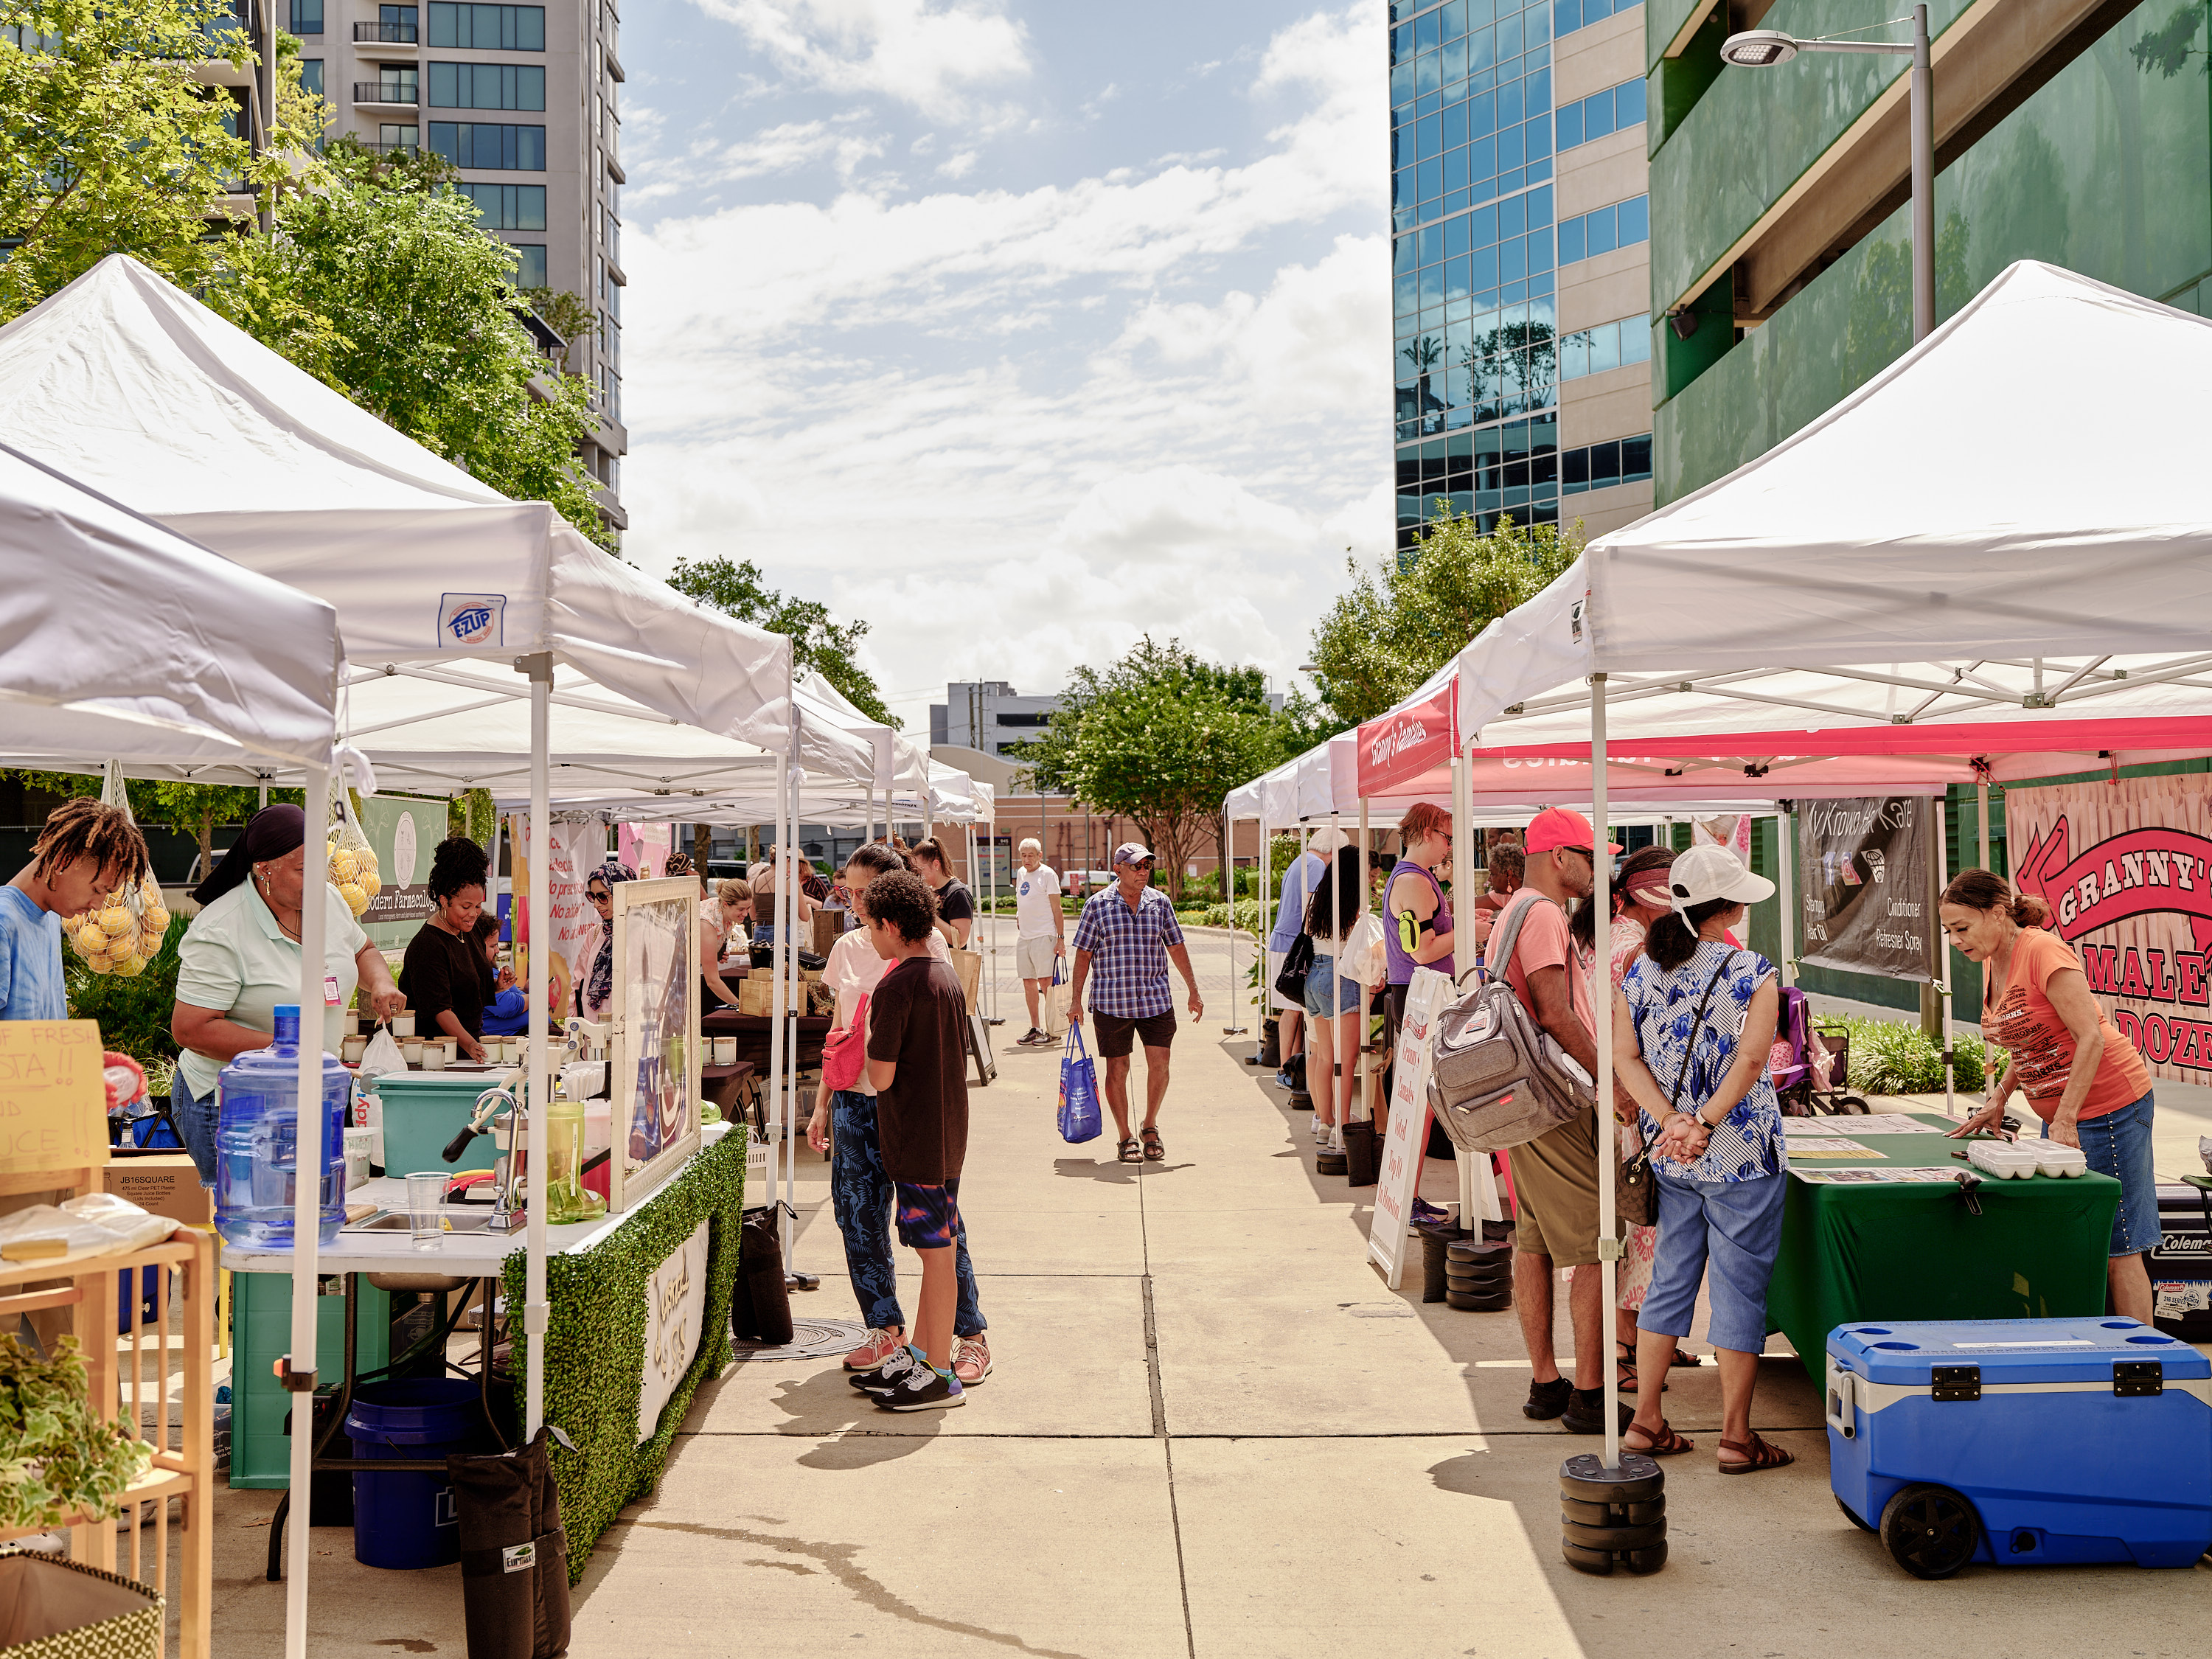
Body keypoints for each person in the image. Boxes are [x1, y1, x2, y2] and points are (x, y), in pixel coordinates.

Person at [1613, 844, 1792, 1472]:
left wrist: (1672, 1124)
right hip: (1741, 1151)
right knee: (1740, 1291)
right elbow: (1750, 1062)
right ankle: (1737, 1437)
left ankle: (1645, 1421)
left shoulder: (1641, 968)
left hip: (1673, 1153)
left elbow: (1625, 1058)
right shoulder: (1753, 972)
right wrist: (1706, 1123)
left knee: (1668, 1282)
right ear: (1734, 907)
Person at [1941, 869, 2160, 1321]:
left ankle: (2143, 1364)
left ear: (1998, 913)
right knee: (2077, 1238)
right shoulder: (1993, 959)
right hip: (2066, 1114)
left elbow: (2091, 1038)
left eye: (1962, 928)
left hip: (2108, 1108)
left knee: (2119, 1244)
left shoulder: (2042, 950)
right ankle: (2090, 1344)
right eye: (1949, 932)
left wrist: (2065, 1118)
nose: (1956, 941)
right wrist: (2000, 1097)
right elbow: (2030, 1040)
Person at [808, 845, 990, 1388]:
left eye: (865, 893)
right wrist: (822, 1103)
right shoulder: (845, 948)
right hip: (856, 1101)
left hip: (908, 1108)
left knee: (936, 1228)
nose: (855, 902)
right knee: (859, 1216)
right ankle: (889, 1333)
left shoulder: (921, 948)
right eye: (849, 892)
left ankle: (967, 1336)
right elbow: (839, 1033)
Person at [171, 804, 405, 1186]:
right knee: (252, 1223)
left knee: (302, 1213)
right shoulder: (220, 929)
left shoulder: (327, 901)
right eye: (303, 870)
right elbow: (191, 1029)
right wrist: (290, 1054)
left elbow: (362, 950)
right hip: (233, 1106)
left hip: (310, 1093)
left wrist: (380, 982)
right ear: (265, 868)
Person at [1494, 807, 1621, 1434]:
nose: (1600, 868)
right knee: (1598, 1241)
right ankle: (1590, 1395)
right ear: (1561, 856)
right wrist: (1612, 1082)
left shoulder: (1516, 908)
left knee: (1535, 1241)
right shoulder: (1542, 913)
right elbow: (1553, 1011)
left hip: (1521, 1102)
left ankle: (1547, 1384)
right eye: (1593, 856)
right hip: (1553, 1101)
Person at [1569, 846, 1697, 1387]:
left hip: (1614, 1099)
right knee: (1643, 1226)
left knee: (1632, 1223)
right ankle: (1630, 1346)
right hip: (1631, 1103)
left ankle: (1640, 1340)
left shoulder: (1608, 935)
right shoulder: (1632, 948)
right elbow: (1630, 1036)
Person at [852, 868, 975, 1412]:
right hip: (945, 1135)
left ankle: (940, 1373)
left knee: (936, 1255)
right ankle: (924, 1356)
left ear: (892, 925)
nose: (871, 939)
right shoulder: (945, 975)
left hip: (918, 1140)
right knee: (937, 1254)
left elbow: (879, 1077)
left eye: (872, 927)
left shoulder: (897, 985)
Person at [1068, 844, 1204, 1164]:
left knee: (1160, 1065)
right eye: (1136, 866)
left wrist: (1193, 991)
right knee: (1118, 1068)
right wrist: (1075, 1000)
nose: (1143, 871)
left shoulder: (1160, 903)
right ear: (1118, 869)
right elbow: (1083, 955)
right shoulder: (1097, 905)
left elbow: (1177, 947)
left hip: (1156, 1000)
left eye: (1147, 866)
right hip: (1112, 1002)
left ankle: (1150, 1126)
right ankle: (1125, 1135)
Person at [4, 796, 150, 1022]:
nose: (98, 906)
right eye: (98, 890)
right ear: (64, 861)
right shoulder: (4, 922)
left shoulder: (51, 916)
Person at [1382, 804, 1455, 1215]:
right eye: (1446, 837)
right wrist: (1468, 931)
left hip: (1418, 998)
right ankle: (1406, 1199)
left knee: (1420, 1107)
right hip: (1419, 1000)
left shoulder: (1415, 878)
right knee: (1419, 1110)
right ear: (1427, 833)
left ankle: (1405, 1197)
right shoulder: (1412, 881)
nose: (1449, 846)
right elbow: (1422, 950)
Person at [403, 837, 498, 1062]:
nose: (474, 914)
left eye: (478, 906)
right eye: (466, 907)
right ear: (444, 901)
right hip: (436, 1056)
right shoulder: (428, 946)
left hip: (469, 1048)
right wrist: (470, 1043)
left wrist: (498, 984)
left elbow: (469, 983)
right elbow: (440, 1010)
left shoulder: (470, 930)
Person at [1301, 845, 1366, 1151]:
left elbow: (1306, 931)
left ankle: (1325, 1123)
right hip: (1339, 976)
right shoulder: (1353, 901)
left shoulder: (1318, 897)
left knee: (1325, 1056)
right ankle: (1343, 1125)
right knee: (1346, 1059)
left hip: (1314, 974)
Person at [1267, 830, 1341, 1092]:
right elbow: (1314, 904)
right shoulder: (1316, 864)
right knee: (1292, 1009)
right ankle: (1284, 1070)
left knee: (1297, 1008)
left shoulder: (1301, 860)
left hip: (1286, 940)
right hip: (1293, 944)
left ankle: (1291, 1067)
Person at [665, 852, 744, 1012]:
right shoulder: (704, 917)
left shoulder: (669, 890)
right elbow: (707, 911)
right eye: (742, 909)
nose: (746, 914)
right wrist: (740, 1006)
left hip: (678, 968)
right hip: (676, 970)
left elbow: (707, 905)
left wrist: (715, 950)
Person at [1009, 838, 1065, 1046]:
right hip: (1025, 937)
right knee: (1028, 982)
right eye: (1023, 855)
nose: (1026, 859)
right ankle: (1036, 1028)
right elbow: (1023, 899)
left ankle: (1053, 1030)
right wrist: (1018, 915)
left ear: (1040, 855)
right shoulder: (1021, 873)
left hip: (1044, 935)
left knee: (1046, 983)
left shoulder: (1048, 875)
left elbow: (1057, 909)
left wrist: (1060, 939)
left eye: (1031, 855)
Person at [577, 860, 636, 1023]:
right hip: (592, 1035)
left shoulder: (643, 934)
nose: (596, 904)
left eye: (603, 897)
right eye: (592, 896)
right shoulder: (595, 935)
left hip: (629, 1034)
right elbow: (578, 985)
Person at [908, 838, 975, 949]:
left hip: (949, 963)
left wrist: (930, 915)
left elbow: (960, 941)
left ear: (936, 865)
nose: (917, 874)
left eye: (920, 869)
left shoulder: (957, 893)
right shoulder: (928, 890)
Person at [473, 913, 530, 1037]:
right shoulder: (478, 974)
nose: (498, 950)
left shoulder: (488, 972)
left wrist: (523, 991)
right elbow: (507, 1006)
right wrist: (537, 998)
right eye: (493, 946)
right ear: (476, 947)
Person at [1472, 836, 1524, 956]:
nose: (1489, 879)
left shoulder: (1531, 902)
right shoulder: (1506, 895)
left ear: (1508, 874)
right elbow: (1467, 904)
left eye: (1493, 874)